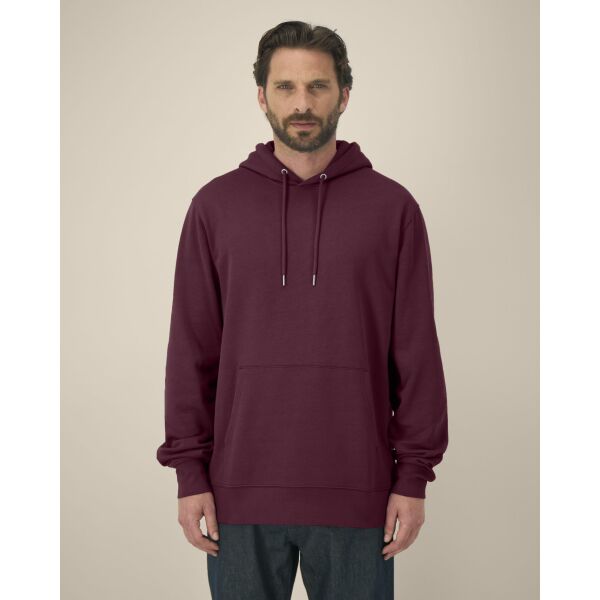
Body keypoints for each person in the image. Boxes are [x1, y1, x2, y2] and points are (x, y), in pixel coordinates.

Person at [156, 20, 449, 600]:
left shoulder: (392, 208)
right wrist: (190, 473)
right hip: (238, 494)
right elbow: (190, 351)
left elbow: (416, 354)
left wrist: (412, 477)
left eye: (317, 86)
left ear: (344, 94)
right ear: (262, 96)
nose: (302, 104)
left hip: (359, 493)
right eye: (285, 87)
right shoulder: (216, 206)